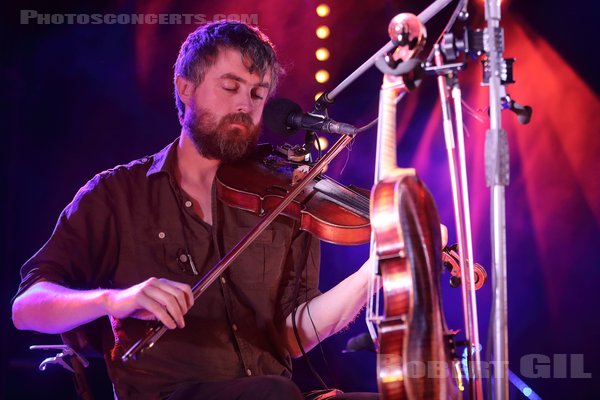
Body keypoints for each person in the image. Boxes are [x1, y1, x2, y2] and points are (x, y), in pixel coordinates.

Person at [12, 20, 379, 400]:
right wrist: (114, 299)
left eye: (258, 93)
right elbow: (28, 308)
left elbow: (294, 336)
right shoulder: (117, 194)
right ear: (185, 88)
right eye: (231, 87)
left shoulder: (287, 196)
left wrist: (375, 269)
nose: (245, 104)